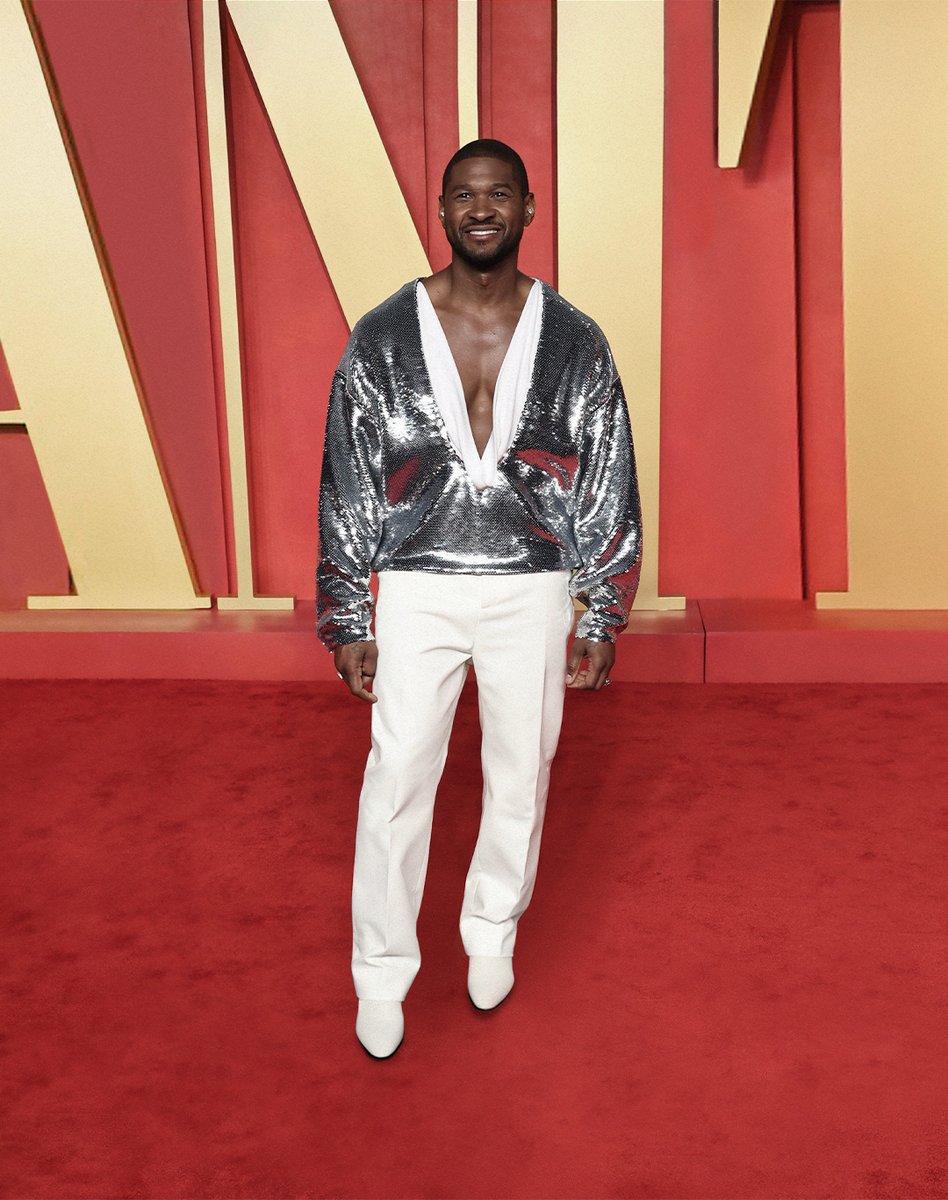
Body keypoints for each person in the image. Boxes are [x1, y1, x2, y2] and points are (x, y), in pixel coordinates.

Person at [316, 139, 642, 1059]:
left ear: (530, 209)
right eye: (465, 195)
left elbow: (605, 475)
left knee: (520, 777)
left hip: (533, 590)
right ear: (443, 209)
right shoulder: (383, 334)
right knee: (395, 785)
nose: (482, 208)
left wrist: (602, 607)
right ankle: (381, 973)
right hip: (415, 588)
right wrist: (348, 613)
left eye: (500, 193)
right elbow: (348, 477)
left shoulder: (576, 338)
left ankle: (491, 930)